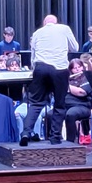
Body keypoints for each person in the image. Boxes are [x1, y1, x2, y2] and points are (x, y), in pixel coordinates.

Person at [21, 15, 79, 146]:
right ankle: (55, 137)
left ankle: (26, 132)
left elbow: (33, 55)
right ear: (56, 22)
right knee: (59, 104)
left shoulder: (37, 33)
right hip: (59, 70)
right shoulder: (64, 29)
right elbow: (75, 48)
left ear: (44, 23)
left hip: (40, 68)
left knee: (36, 103)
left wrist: (34, 70)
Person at [63, 59, 92, 143]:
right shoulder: (68, 79)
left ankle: (70, 142)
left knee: (71, 114)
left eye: (79, 67)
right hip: (66, 105)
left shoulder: (87, 78)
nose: (77, 69)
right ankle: (53, 142)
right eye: (74, 68)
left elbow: (82, 92)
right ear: (71, 70)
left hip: (82, 105)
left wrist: (66, 86)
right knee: (50, 114)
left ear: (82, 67)